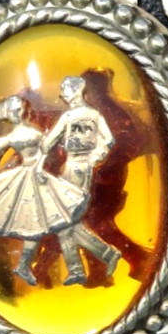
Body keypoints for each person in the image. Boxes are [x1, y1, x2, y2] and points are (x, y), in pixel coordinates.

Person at [0, 95, 87, 285]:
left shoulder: (34, 133)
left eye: (20, 109)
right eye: (14, 110)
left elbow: (46, 150)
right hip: (25, 178)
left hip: (38, 176)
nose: (18, 113)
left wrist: (43, 161)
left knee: (33, 225)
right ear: (8, 114)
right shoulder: (6, 139)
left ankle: (10, 254)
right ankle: (10, 253)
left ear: (25, 110)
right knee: (30, 224)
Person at [40, 76, 121, 285]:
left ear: (76, 91)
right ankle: (93, 261)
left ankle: (93, 261)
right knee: (66, 222)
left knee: (64, 221)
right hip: (83, 167)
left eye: (65, 90)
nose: (62, 94)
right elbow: (108, 140)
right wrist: (95, 158)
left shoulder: (69, 117)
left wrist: (37, 142)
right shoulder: (94, 115)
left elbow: (47, 144)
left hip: (74, 167)